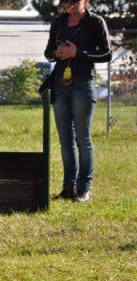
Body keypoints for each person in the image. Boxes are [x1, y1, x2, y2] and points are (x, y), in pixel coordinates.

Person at [44, 0, 112, 202]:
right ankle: (68, 188)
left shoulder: (96, 22)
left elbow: (106, 53)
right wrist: (56, 53)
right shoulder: (58, 22)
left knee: (83, 140)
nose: (68, 5)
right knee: (65, 141)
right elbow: (47, 52)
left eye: (73, 1)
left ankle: (84, 188)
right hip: (59, 85)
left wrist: (78, 53)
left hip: (83, 85)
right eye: (65, 1)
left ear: (86, 2)